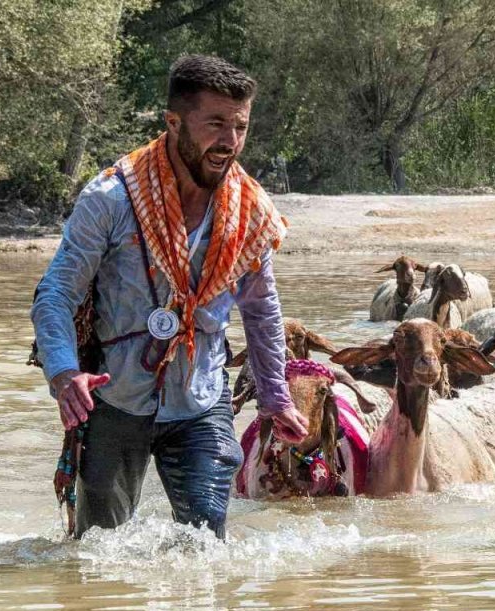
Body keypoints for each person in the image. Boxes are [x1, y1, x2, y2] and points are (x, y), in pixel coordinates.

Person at [31, 54, 308, 540]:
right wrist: (63, 373)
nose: (230, 142)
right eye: (216, 124)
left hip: (201, 397)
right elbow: (55, 292)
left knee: (204, 542)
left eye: (240, 127)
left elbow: (262, 312)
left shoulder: (251, 212)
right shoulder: (111, 198)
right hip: (114, 396)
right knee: (98, 550)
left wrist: (274, 398)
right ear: (174, 122)